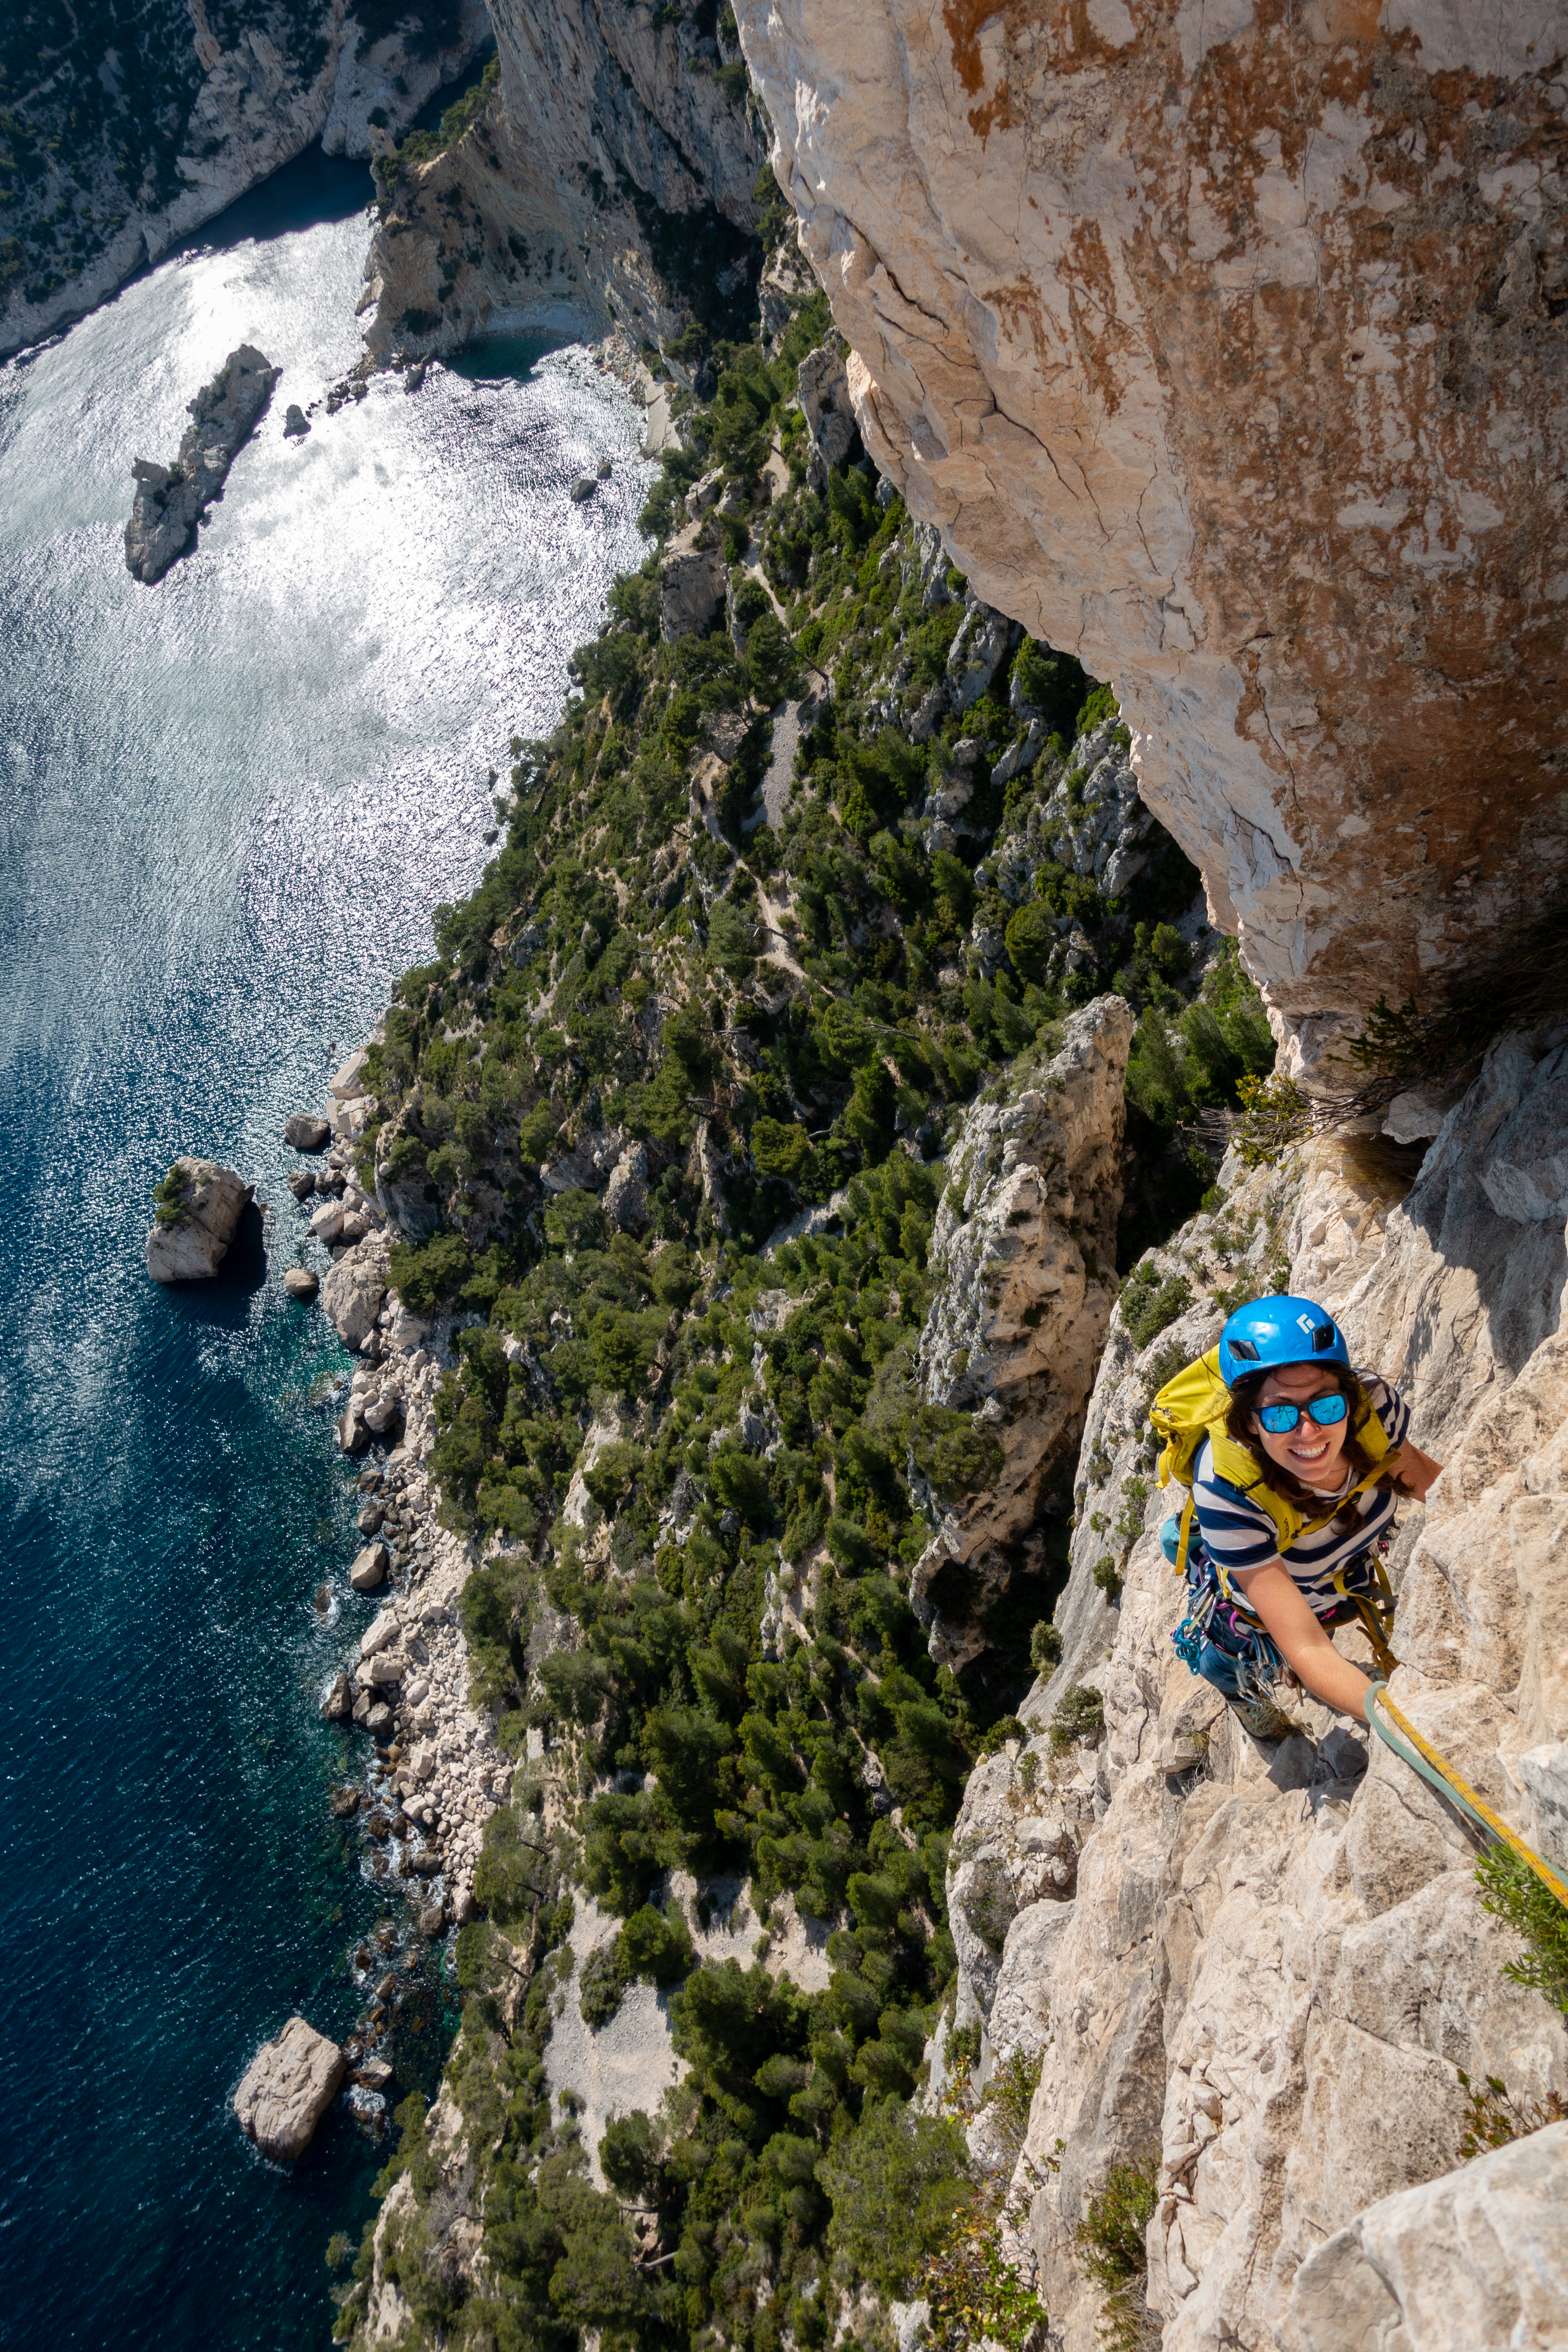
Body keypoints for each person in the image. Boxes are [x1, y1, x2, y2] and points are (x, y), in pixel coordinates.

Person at [1174, 1296, 1443, 1737]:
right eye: (1280, 1413)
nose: (1308, 1431)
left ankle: (1301, 1673)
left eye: (1325, 1405)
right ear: (1251, 1424)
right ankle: (1246, 1703)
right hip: (1255, 1610)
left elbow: (1437, 1490)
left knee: (1316, 1636)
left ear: (1349, 1399)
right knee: (1227, 1665)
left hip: (1337, 1584)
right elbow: (1305, 1646)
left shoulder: (1372, 1411)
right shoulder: (1224, 1487)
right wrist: (1401, 1725)